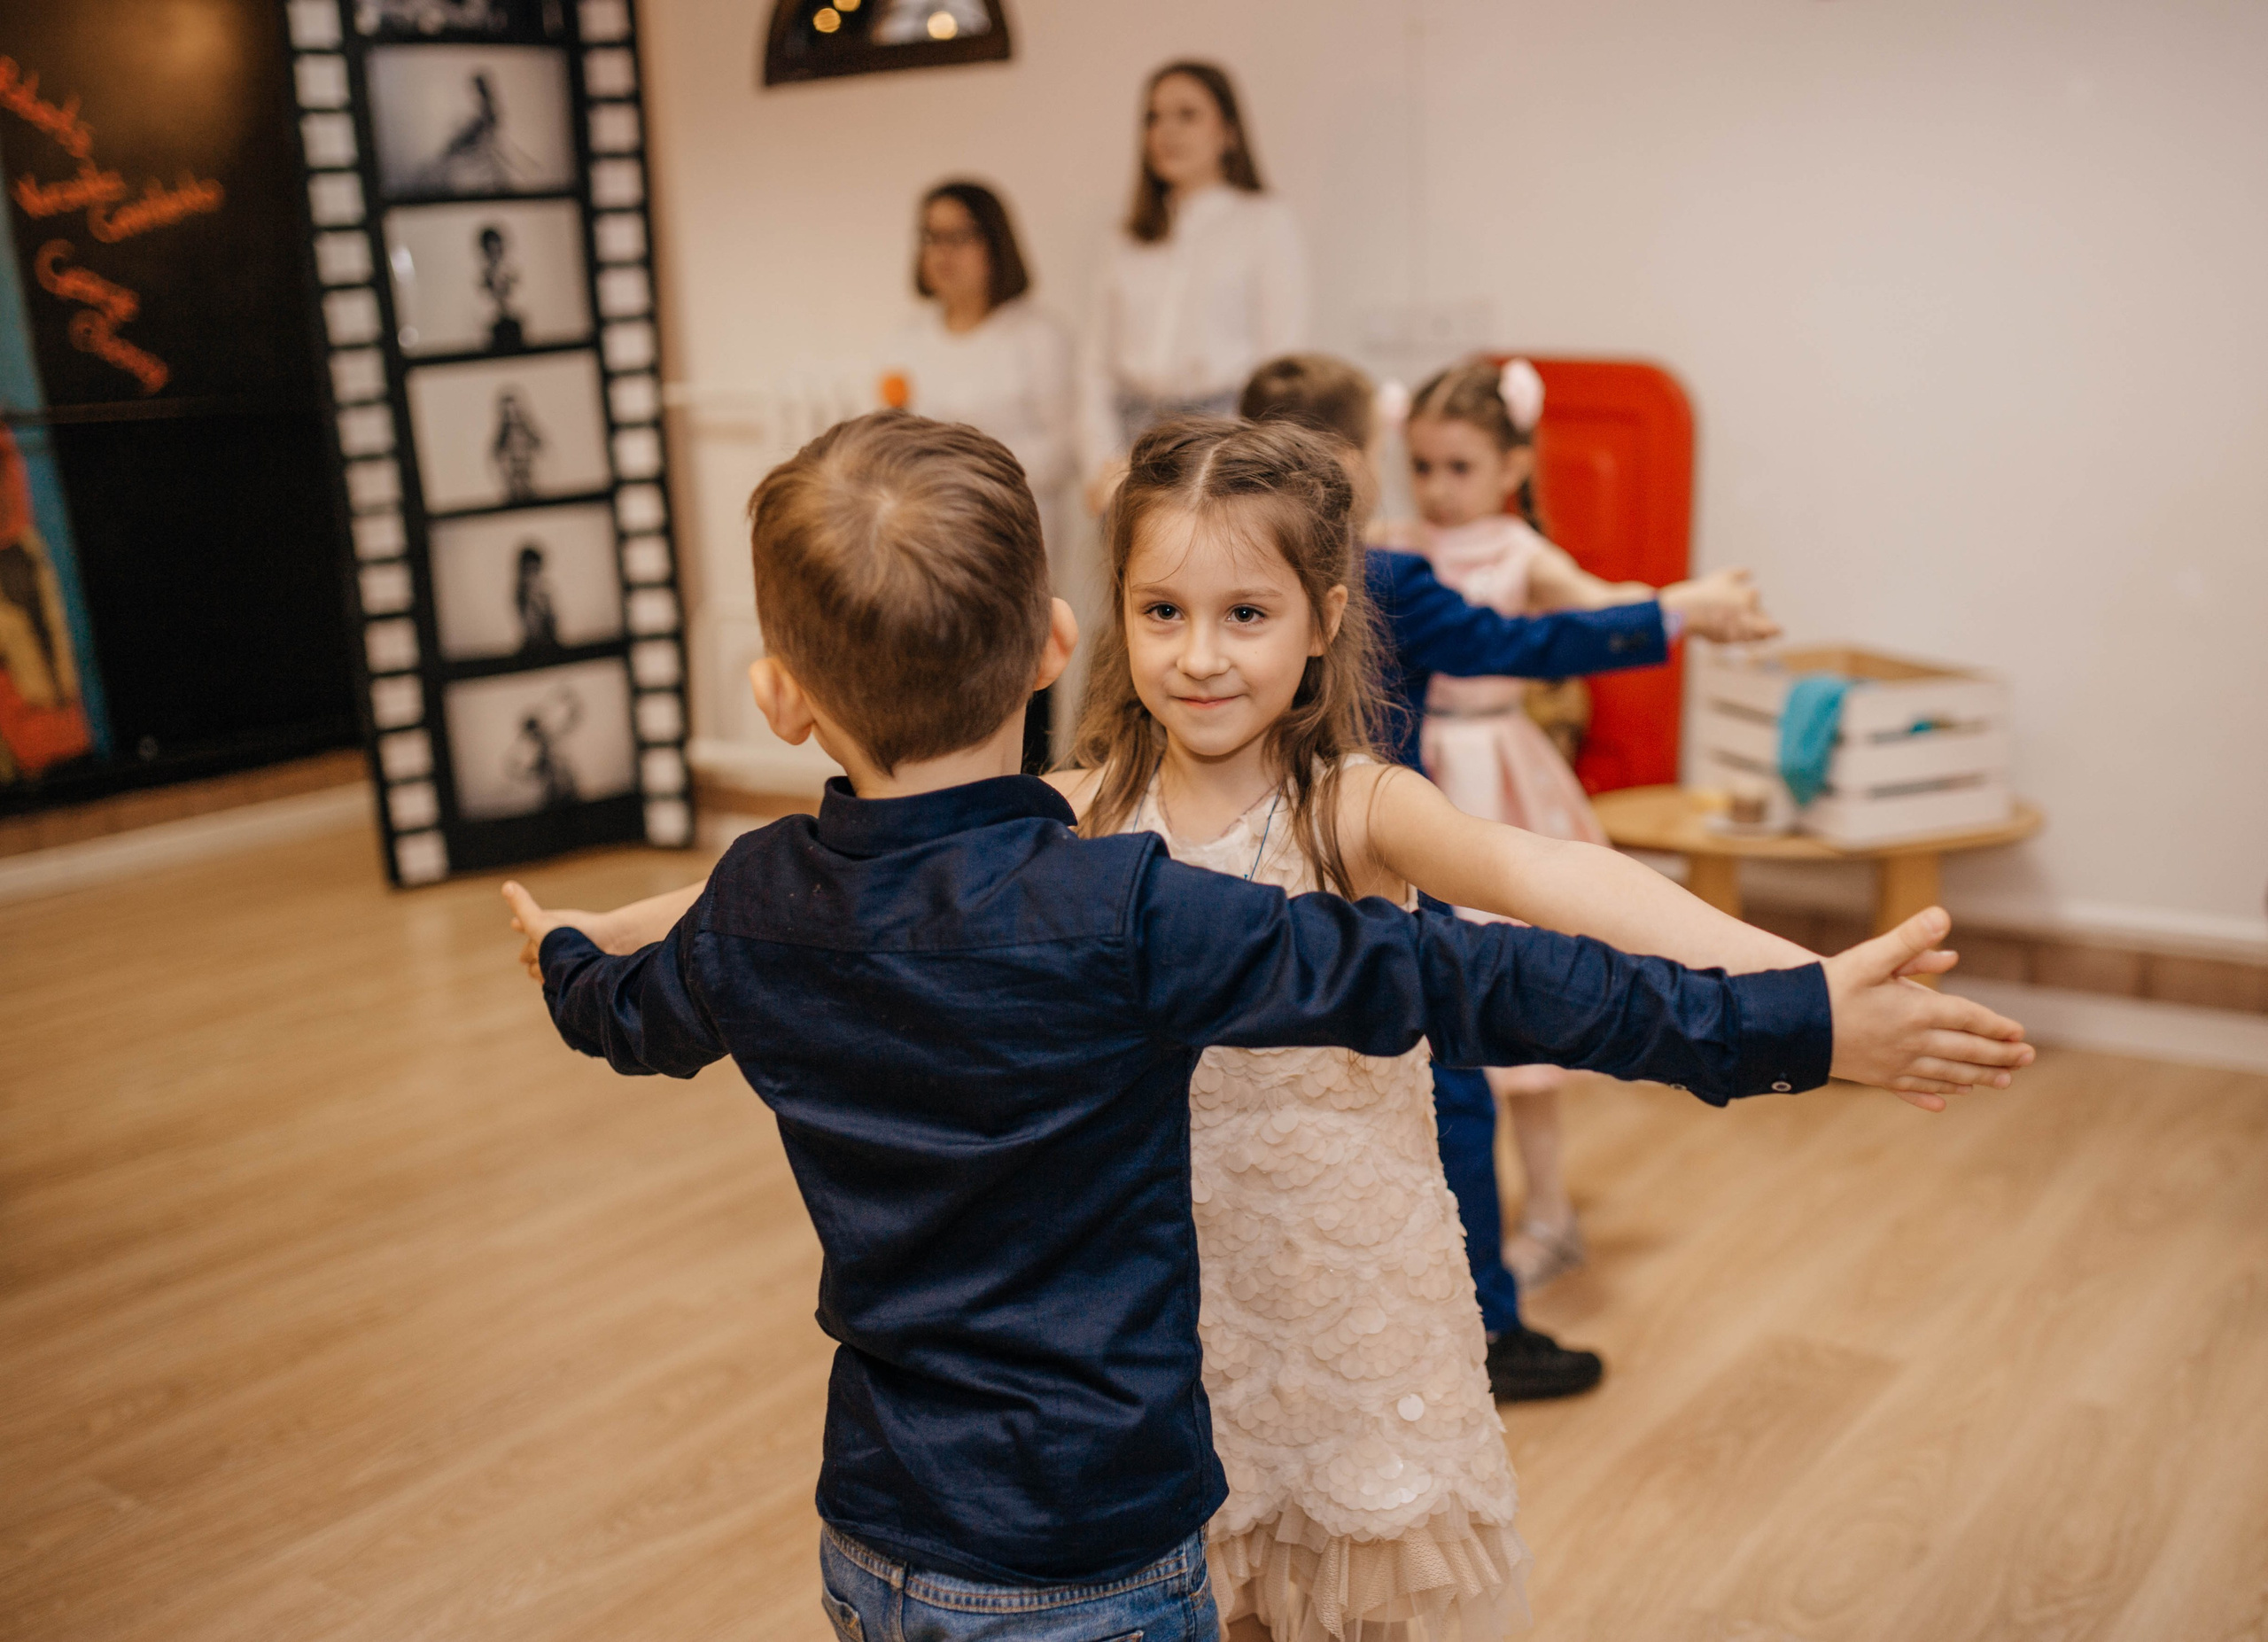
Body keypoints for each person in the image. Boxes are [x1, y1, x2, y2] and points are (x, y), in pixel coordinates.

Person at [503, 411, 2030, 1641]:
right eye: (1161, 611)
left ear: (1324, 618)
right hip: (1166, 1330)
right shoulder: (1083, 822)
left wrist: (1797, 983)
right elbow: (807, 887)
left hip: (1334, 1299)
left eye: (1245, 612)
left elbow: (1554, 882)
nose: (1200, 652)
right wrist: (607, 930)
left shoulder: (1352, 801)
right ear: (1079, 630)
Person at [1238, 352, 1779, 1397]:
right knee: (1455, 1084)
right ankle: (1483, 1326)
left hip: (1262, 862)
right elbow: (1531, 641)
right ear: (1353, 461)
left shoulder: (1240, 577)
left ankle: (1306, 1315)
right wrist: (1679, 610)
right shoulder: (1385, 577)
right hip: (1384, 861)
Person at [1403, 355, 1756, 1291]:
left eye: (1459, 467)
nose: (1438, 489)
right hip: (1420, 776)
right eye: (1423, 466)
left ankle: (1548, 1208)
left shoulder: (1524, 555)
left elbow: (1596, 611)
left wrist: (1686, 607)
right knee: (1439, 1002)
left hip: (1497, 779)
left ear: (1512, 466)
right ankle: (1451, 1212)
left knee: (1518, 996)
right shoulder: (1397, 547)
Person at [882, 180, 1074, 771]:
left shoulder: (1035, 335)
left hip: (1016, 532)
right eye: (931, 236)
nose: (942, 251)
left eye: (959, 236)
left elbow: (1064, 446)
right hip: (930, 536)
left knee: (1019, 670)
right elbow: (891, 434)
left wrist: (972, 471)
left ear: (994, 244)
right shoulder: (906, 342)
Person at [1076, 61, 1305, 513]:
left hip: (1228, 446)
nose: (1167, 131)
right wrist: (1099, 465)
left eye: (1187, 114)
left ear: (1229, 132)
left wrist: (1247, 467)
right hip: (1133, 453)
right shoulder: (1126, 238)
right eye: (1154, 117)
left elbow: (1279, 361)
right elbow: (1095, 364)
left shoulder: (1263, 222)